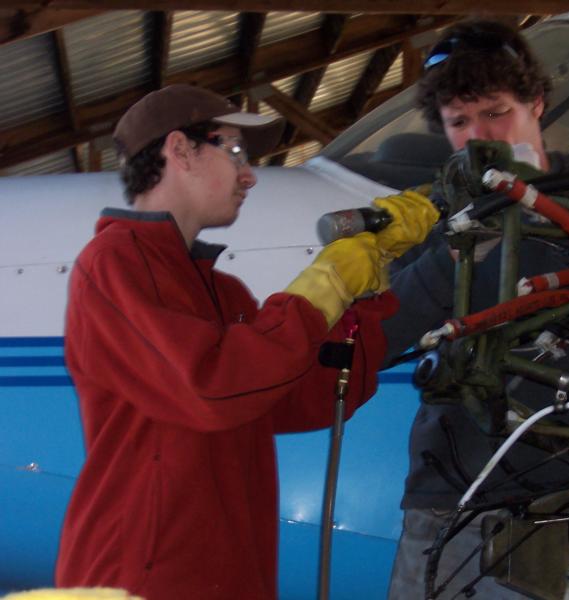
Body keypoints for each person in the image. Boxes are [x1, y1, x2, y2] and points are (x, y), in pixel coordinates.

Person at [54, 84, 439, 600]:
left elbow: (305, 399)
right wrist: (325, 283)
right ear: (180, 150)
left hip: (231, 574)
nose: (249, 173)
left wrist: (363, 292)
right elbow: (210, 387)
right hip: (146, 576)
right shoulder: (113, 264)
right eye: (234, 151)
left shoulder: (223, 290)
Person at [384, 20, 569, 599]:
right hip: (463, 499)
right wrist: (462, 249)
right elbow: (381, 331)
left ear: (537, 103)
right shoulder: (429, 217)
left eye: (496, 112)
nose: (481, 135)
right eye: (459, 122)